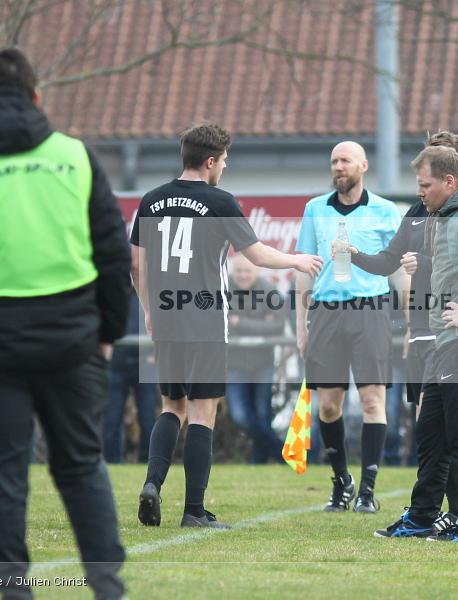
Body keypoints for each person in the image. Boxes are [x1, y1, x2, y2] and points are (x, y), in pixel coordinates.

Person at [0, 48, 131, 599]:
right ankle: (107, 586)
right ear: (38, 98)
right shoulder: (76, 157)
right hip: (73, 339)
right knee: (83, 467)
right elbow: (113, 253)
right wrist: (108, 333)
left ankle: (14, 590)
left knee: (3, 478)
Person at [132, 123, 321, 529]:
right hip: (205, 320)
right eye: (224, 162)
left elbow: (136, 264)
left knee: (170, 407)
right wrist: (297, 260)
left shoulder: (151, 200)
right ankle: (194, 511)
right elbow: (255, 255)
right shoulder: (219, 201)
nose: (225, 169)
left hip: (166, 319)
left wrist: (149, 309)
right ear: (211, 161)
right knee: (202, 412)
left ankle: (152, 483)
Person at [376, 145, 458, 543]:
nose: (420, 193)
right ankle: (421, 517)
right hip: (445, 344)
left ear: (450, 182)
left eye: (425, 185)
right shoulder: (447, 214)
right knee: (431, 435)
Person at [348, 130, 458, 511]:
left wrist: (428, 264)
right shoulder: (416, 213)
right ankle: (432, 510)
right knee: (426, 428)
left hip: (452, 331)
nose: (424, 183)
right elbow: (389, 260)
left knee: (451, 429)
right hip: (419, 333)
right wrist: (353, 254)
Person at [295, 141, 400, 514]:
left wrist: (410, 316)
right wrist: (301, 327)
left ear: (363, 166)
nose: (338, 167)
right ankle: (341, 482)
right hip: (324, 313)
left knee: (373, 400)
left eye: (345, 161)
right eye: (334, 161)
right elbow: (304, 269)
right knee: (327, 405)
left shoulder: (386, 211)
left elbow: (400, 268)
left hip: (371, 310)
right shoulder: (314, 209)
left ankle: (368, 489)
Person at [225, 254, 285, 464]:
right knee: (240, 415)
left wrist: (239, 321)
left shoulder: (268, 289)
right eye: (239, 271)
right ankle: (281, 451)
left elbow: (277, 326)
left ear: (257, 271)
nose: (243, 275)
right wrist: (260, 322)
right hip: (233, 364)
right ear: (233, 271)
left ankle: (258, 462)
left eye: (248, 271)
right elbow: (222, 324)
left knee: (262, 413)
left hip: (263, 363)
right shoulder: (224, 290)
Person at [102, 294, 159, 463]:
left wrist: (155, 352)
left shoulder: (151, 292)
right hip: (116, 366)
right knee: (112, 419)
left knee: (148, 419)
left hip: (146, 365)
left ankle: (147, 462)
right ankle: (112, 462)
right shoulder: (113, 291)